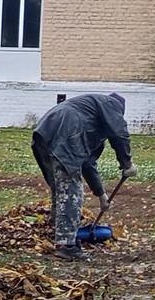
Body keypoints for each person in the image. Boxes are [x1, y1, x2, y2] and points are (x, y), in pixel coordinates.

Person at [31, 92, 136, 258]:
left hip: (45, 131)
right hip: (67, 129)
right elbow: (119, 133)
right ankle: (66, 245)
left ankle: (60, 236)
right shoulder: (111, 103)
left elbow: (88, 164)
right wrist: (127, 163)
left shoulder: (91, 119)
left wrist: (101, 196)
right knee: (71, 191)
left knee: (61, 189)